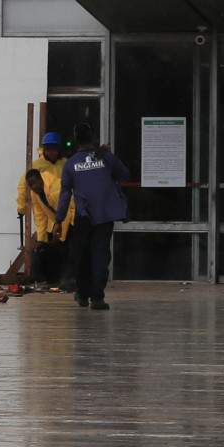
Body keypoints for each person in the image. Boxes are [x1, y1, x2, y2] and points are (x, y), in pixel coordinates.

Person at [54, 126, 132, 311]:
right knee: (100, 255)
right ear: (93, 138)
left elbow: (65, 194)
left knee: (82, 256)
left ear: (75, 140)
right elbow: (125, 175)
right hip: (104, 217)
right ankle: (97, 298)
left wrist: (59, 219)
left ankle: (82, 294)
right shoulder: (105, 157)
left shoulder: (71, 164)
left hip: (84, 217)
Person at [16, 131, 75, 288]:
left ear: (59, 149)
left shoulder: (66, 165)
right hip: (51, 216)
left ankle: (68, 279)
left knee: (68, 247)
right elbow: (24, 186)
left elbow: (71, 201)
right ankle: (51, 279)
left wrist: (65, 223)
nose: (51, 152)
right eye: (48, 149)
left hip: (68, 212)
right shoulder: (36, 167)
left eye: (54, 149)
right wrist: (21, 207)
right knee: (48, 246)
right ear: (44, 149)